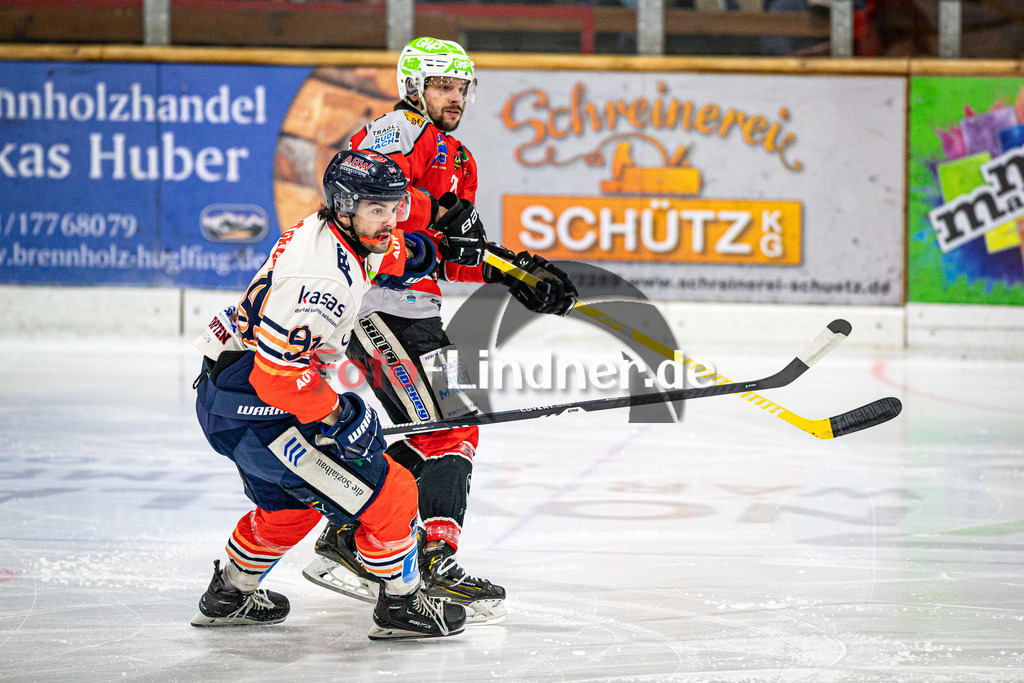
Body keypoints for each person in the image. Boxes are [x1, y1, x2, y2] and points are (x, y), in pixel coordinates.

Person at [301, 37, 579, 625]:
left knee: (457, 423)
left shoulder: (459, 158)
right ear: (412, 88)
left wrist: (513, 273)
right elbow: (375, 207)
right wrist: (456, 232)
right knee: (442, 427)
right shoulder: (395, 133)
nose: (454, 98)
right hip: (377, 310)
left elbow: (446, 254)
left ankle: (356, 532)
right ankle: (428, 564)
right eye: (441, 87)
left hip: (420, 313)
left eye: (460, 88)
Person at [189, 148, 469, 640]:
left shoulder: (338, 230)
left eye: (393, 207)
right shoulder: (319, 281)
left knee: (289, 508)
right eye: (376, 209)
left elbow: (389, 251)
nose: (388, 220)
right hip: (260, 409)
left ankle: (229, 595)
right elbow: (276, 379)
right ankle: (402, 606)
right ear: (345, 205)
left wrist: (435, 251)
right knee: (395, 490)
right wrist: (341, 416)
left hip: (224, 395)